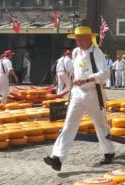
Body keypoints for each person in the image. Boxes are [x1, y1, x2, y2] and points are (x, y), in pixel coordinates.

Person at [44, 26, 115, 171]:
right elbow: (75, 71)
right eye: (77, 39)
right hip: (78, 94)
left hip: (95, 94)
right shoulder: (75, 53)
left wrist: (88, 79)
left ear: (90, 38)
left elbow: (105, 73)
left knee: (100, 124)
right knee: (69, 125)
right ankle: (57, 157)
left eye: (82, 39)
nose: (79, 41)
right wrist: (75, 81)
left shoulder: (97, 52)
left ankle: (108, 151)